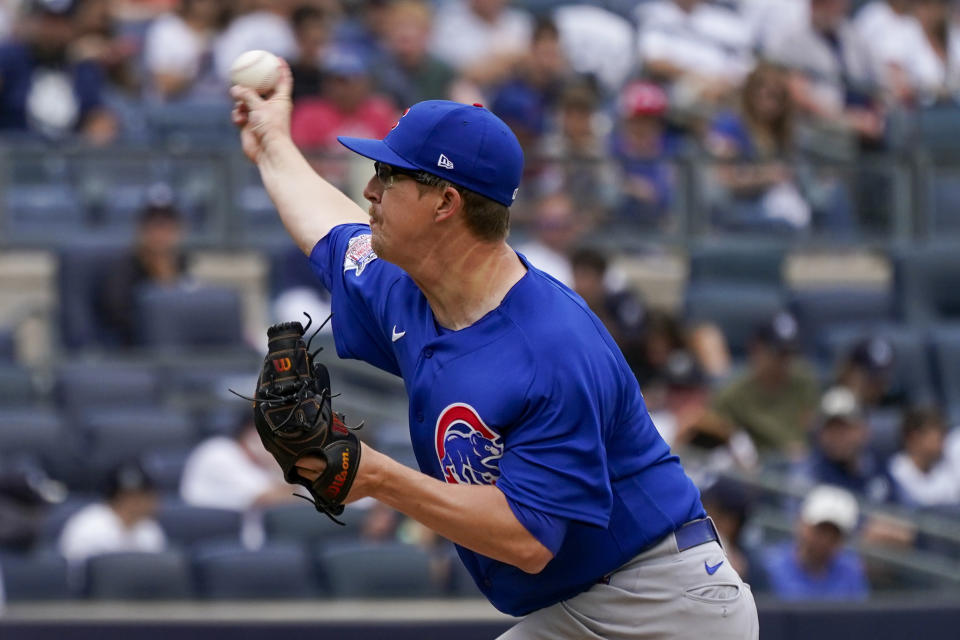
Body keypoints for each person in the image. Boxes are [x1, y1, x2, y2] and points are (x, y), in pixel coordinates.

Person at [230, 61, 758, 638]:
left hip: (666, 603)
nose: (369, 189)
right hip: (575, 604)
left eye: (388, 174)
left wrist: (378, 477)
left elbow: (528, 539)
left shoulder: (551, 347)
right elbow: (329, 225)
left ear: (445, 203)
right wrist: (272, 140)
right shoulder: (410, 287)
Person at [688, 311, 820, 459]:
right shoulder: (734, 393)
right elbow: (706, 426)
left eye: (789, 353)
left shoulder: (803, 380)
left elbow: (812, 423)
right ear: (756, 349)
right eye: (779, 354)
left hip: (805, 463)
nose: (785, 361)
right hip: (762, 469)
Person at [179, 416, 297, 548]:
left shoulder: (265, 467)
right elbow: (263, 498)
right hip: (212, 540)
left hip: (251, 542)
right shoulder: (218, 451)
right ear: (251, 433)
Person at [760, 484, 868, 601]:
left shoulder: (851, 572)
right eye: (821, 529)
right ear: (801, 524)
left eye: (835, 534)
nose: (826, 539)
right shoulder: (770, 567)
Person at [58, 461, 166, 565]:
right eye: (143, 495)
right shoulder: (87, 527)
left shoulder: (150, 530)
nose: (154, 501)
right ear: (123, 497)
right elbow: (74, 575)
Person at [888, 406, 960, 508]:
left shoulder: (944, 468)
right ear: (915, 437)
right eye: (938, 434)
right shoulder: (894, 472)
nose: (944, 440)